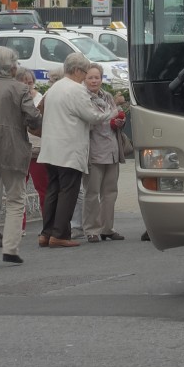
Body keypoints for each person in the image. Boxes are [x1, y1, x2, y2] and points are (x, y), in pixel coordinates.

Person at [37, 52, 120, 248]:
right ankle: (60, 234)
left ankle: (46, 233)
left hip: (50, 147)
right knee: (68, 192)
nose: (85, 77)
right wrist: (113, 111)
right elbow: (93, 116)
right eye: (84, 72)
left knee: (53, 191)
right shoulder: (76, 90)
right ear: (76, 70)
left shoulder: (54, 88)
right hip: (69, 149)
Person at [0, 46, 43, 265]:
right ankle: (11, 248)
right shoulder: (20, 89)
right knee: (16, 199)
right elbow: (34, 118)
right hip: (13, 147)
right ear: (12, 66)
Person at [81, 63, 126, 242]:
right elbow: (88, 122)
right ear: (84, 79)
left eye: (97, 77)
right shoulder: (82, 97)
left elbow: (115, 116)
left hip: (112, 149)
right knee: (92, 192)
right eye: (90, 77)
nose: (94, 81)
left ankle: (107, 228)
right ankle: (91, 229)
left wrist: (119, 121)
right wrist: (110, 116)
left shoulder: (107, 96)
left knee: (110, 192)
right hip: (93, 150)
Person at [22, 67, 51, 221]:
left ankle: (47, 221)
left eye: (30, 82)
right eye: (25, 82)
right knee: (19, 190)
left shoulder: (39, 98)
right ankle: (20, 225)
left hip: (37, 149)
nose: (28, 85)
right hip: (21, 149)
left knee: (42, 187)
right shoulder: (17, 96)